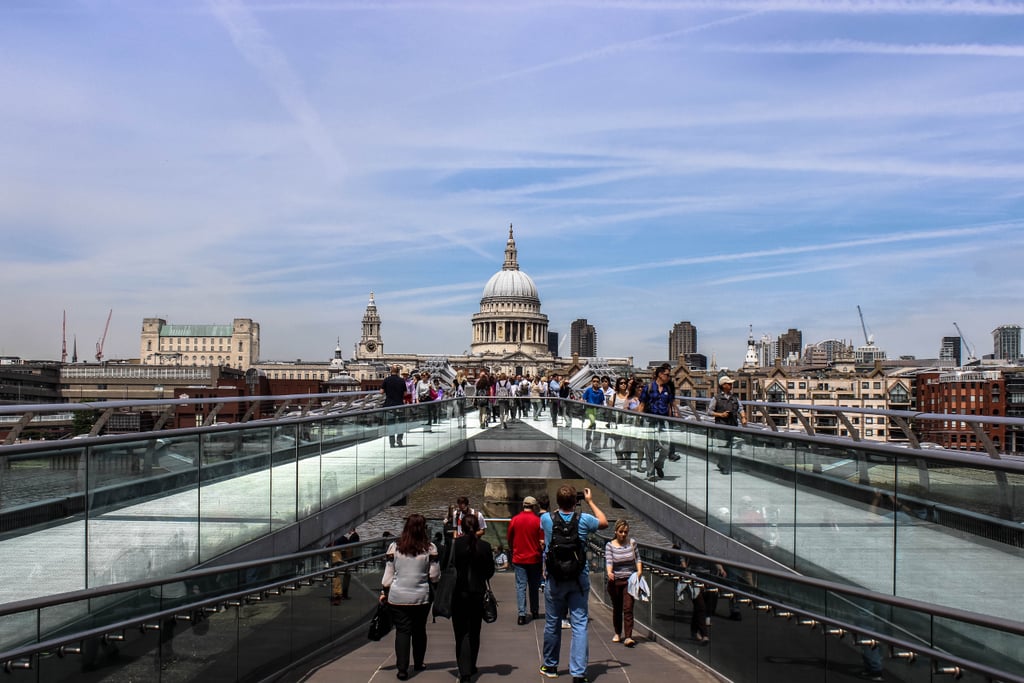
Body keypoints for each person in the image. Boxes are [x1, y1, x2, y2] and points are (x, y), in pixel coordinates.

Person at [540, 485, 609, 683]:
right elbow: (604, 522)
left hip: (554, 580)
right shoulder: (584, 520)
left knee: (552, 623)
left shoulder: (547, 520)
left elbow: (551, 521)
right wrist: (589, 502)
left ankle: (551, 666)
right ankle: (578, 673)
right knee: (579, 625)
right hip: (579, 579)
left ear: (558, 502)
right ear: (575, 502)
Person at [380, 514, 440, 680]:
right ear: (424, 528)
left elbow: (388, 574)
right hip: (421, 596)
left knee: (403, 631)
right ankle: (419, 662)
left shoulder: (395, 547)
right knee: (419, 630)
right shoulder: (430, 548)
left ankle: (402, 669)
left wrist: (384, 592)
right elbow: (434, 575)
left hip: (398, 595)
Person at [450, 512, 495, 682]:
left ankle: (464, 670)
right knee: (475, 630)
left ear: (462, 527)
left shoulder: (455, 544)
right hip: (477, 593)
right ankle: (472, 665)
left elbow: (447, 566)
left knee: (461, 632)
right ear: (477, 528)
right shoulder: (484, 546)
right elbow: (490, 571)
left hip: (458, 593)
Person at [507, 495, 544, 624]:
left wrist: (513, 549)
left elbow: (510, 538)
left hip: (519, 557)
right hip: (534, 557)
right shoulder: (538, 521)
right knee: (534, 586)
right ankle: (534, 610)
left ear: (523, 505)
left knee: (520, 586)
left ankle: (521, 614)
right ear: (534, 507)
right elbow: (541, 541)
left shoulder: (515, 520)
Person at [605, 519, 642, 648]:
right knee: (617, 608)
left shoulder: (632, 543)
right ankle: (617, 632)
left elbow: (638, 558)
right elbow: (609, 561)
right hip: (615, 581)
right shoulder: (610, 545)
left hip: (629, 580)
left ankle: (628, 636)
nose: (623, 534)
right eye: (621, 532)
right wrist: (609, 572)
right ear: (616, 531)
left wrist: (639, 572)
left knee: (628, 607)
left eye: (625, 532)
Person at [638, 363, 678, 482]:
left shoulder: (667, 389)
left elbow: (670, 405)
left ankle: (659, 464)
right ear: (660, 375)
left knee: (666, 446)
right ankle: (650, 473)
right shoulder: (649, 387)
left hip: (663, 420)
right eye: (667, 375)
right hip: (650, 420)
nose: (668, 377)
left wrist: (672, 418)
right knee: (649, 447)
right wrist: (639, 419)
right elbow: (642, 404)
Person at [707, 375, 746, 474]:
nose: (731, 385)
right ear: (723, 385)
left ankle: (722, 463)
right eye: (729, 383)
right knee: (723, 446)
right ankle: (724, 467)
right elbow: (709, 412)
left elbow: (741, 408)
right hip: (721, 425)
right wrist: (721, 414)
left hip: (733, 425)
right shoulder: (716, 398)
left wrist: (743, 418)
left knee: (729, 445)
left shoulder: (735, 398)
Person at [381, 365, 407, 448]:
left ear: (390, 371)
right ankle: (399, 439)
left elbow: (381, 391)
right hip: (399, 404)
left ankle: (392, 443)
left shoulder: (386, 380)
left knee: (391, 424)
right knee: (401, 423)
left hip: (389, 405)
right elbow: (405, 393)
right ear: (398, 371)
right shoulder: (402, 380)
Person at [582, 376, 606, 451]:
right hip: (589, 410)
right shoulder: (588, 390)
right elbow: (583, 399)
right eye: (594, 381)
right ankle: (588, 440)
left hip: (598, 411)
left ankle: (595, 446)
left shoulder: (600, 392)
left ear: (599, 383)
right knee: (590, 427)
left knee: (597, 428)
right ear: (591, 382)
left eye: (597, 381)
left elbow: (602, 402)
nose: (595, 383)